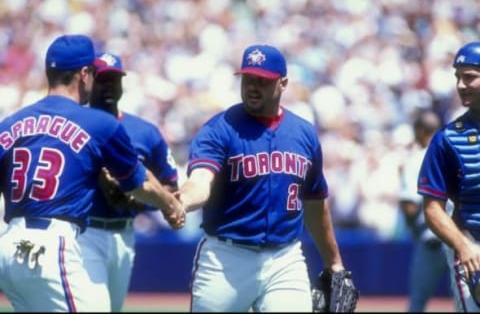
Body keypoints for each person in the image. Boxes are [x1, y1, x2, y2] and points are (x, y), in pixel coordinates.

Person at [0, 34, 185, 312]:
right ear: (84, 74)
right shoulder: (97, 123)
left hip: (10, 246)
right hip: (55, 244)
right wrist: (169, 203)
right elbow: (137, 184)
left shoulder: (10, 124)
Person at [177, 44, 348, 312]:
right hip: (226, 258)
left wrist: (334, 262)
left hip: (285, 257)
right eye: (248, 79)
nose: (253, 87)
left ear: (283, 84)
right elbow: (200, 180)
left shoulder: (304, 134)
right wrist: (183, 200)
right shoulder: (218, 129)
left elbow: (315, 204)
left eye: (262, 81)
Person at [77, 52, 180, 312]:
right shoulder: (75, 125)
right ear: (90, 81)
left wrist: (135, 201)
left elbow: (170, 185)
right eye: (103, 80)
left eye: (115, 80)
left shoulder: (145, 132)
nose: (109, 86)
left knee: (112, 308)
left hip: (124, 233)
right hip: (83, 232)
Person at [418, 41, 480, 312]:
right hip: (472, 245)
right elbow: (432, 209)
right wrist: (463, 246)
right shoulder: (448, 139)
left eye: (470, 77)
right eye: (458, 77)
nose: (461, 85)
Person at [399, 110, 451, 311]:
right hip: (462, 239)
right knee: (467, 301)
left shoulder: (415, 159)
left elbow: (410, 207)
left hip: (432, 239)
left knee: (417, 302)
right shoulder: (453, 153)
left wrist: (415, 229)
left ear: (420, 131)